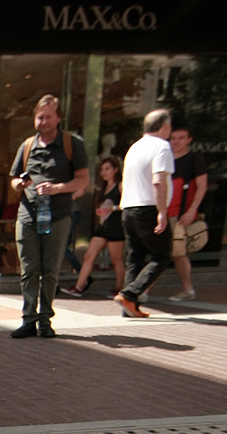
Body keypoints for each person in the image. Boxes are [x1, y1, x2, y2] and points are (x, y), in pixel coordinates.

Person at [8, 95, 89, 338]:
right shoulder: (27, 146)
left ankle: (45, 320)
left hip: (58, 215)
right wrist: (20, 185)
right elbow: (12, 181)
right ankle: (28, 319)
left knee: (50, 269)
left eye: (48, 117)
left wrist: (57, 188)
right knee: (29, 269)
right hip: (28, 215)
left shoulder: (71, 144)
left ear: (58, 118)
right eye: (39, 117)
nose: (43, 121)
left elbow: (83, 180)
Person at [114, 109, 175, 319]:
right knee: (162, 255)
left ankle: (130, 308)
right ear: (165, 127)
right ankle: (130, 295)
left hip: (129, 208)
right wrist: (162, 212)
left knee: (135, 258)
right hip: (148, 208)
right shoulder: (162, 146)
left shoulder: (135, 147)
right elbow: (158, 181)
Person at [60, 156, 126, 298]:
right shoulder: (102, 188)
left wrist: (112, 208)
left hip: (116, 226)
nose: (104, 172)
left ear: (115, 170)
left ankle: (119, 288)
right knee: (89, 255)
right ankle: (79, 286)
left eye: (107, 169)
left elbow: (127, 203)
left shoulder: (120, 185)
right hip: (103, 226)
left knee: (116, 259)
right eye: (102, 169)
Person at [163, 125, 208, 302]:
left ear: (189, 140)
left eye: (181, 138)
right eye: (173, 138)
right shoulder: (165, 158)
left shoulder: (194, 159)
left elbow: (202, 187)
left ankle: (188, 290)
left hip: (181, 214)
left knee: (178, 252)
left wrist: (192, 210)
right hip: (164, 213)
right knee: (164, 252)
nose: (176, 141)